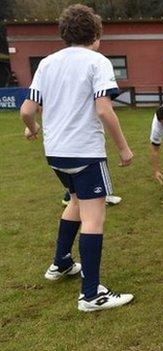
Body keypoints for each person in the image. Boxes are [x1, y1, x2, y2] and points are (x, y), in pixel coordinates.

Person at [20, 4, 134, 312]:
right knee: (94, 217)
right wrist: (123, 148)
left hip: (55, 153)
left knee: (75, 201)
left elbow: (27, 110)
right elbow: (103, 109)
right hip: (85, 151)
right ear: (96, 34)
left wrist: (32, 130)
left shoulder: (46, 63)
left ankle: (61, 262)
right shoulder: (97, 61)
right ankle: (90, 294)